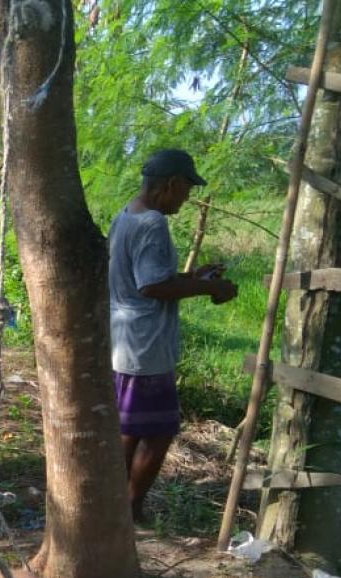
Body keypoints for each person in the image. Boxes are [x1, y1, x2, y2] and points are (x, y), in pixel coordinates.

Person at [109, 148, 237, 524]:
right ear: (171, 184)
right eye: (186, 189)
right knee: (159, 431)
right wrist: (210, 290)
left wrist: (193, 277)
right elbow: (151, 287)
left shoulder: (125, 216)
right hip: (145, 346)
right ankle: (130, 507)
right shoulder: (152, 223)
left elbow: (143, 279)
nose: (186, 197)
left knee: (131, 426)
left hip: (125, 340)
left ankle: (116, 503)